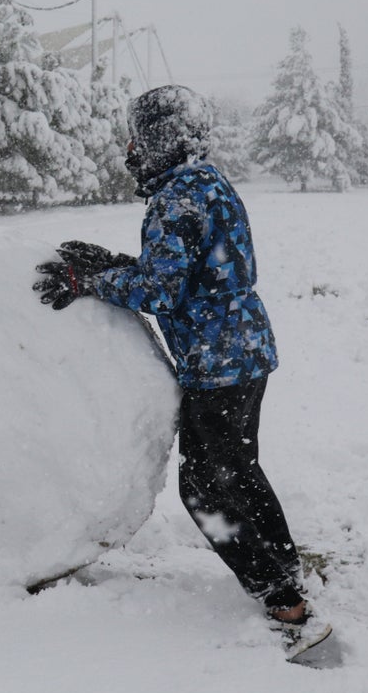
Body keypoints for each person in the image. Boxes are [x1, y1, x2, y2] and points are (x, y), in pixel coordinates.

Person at [33, 85, 329, 654]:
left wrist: (87, 282)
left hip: (216, 363)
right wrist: (121, 263)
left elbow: (163, 290)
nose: (130, 151)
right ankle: (286, 569)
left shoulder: (174, 199)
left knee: (204, 488)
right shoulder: (208, 184)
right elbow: (195, 272)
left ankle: (283, 601)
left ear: (160, 139)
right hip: (246, 349)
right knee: (239, 470)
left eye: (136, 139)